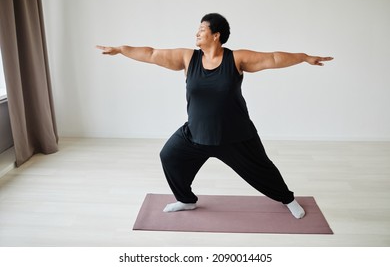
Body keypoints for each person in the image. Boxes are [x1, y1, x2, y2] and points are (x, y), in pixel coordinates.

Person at [97, 13, 333, 219]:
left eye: (201, 29)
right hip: (196, 134)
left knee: (263, 170)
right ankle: (186, 200)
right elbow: (151, 53)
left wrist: (303, 57)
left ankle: (288, 199)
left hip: (235, 135)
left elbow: (272, 58)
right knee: (169, 156)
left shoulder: (236, 58)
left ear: (216, 35)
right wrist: (120, 50)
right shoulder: (188, 58)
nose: (196, 33)